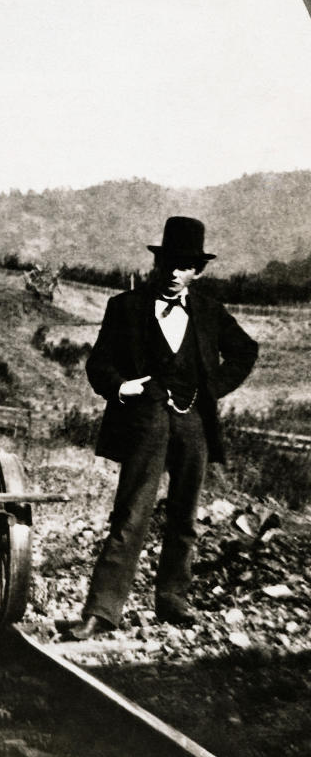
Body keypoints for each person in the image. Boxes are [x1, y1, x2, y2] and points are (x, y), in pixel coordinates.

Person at [62, 217, 258, 640]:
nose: (173, 272)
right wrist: (124, 387)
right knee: (131, 515)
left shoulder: (210, 312)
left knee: (184, 517)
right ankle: (102, 612)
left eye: (184, 265)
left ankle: (173, 602)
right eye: (168, 262)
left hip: (194, 425)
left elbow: (246, 350)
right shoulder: (125, 307)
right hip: (145, 423)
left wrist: (213, 390)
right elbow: (99, 364)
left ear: (197, 271)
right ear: (157, 262)